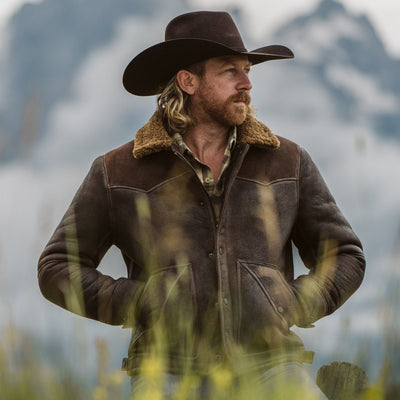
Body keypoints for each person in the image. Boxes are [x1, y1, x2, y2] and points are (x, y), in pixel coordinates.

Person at [38, 11, 365, 399]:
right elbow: (56, 267)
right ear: (188, 81)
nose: (246, 83)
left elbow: (345, 255)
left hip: (271, 365)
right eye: (230, 71)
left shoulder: (287, 161)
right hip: (166, 369)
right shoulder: (118, 171)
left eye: (247, 71)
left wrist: (291, 303)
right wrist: (140, 302)